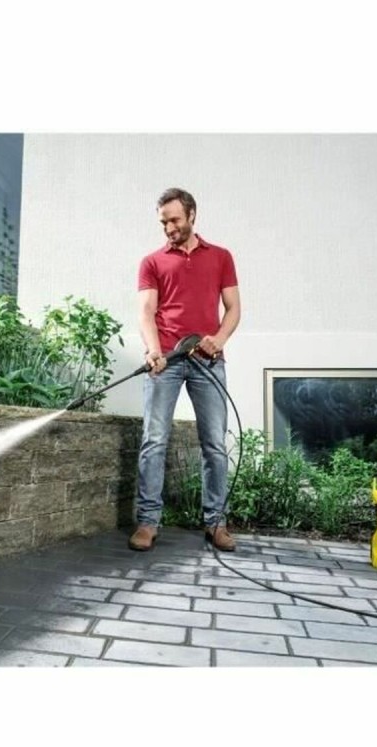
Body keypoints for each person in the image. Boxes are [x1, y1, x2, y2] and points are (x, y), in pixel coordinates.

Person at [130, 188, 241, 552]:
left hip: (207, 361)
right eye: (163, 222)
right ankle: (148, 522)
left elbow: (233, 308)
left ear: (192, 214)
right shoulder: (152, 262)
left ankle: (216, 522)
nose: (169, 228)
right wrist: (153, 350)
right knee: (154, 440)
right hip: (167, 360)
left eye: (174, 220)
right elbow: (146, 312)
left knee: (214, 444)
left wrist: (218, 340)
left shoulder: (221, 257)